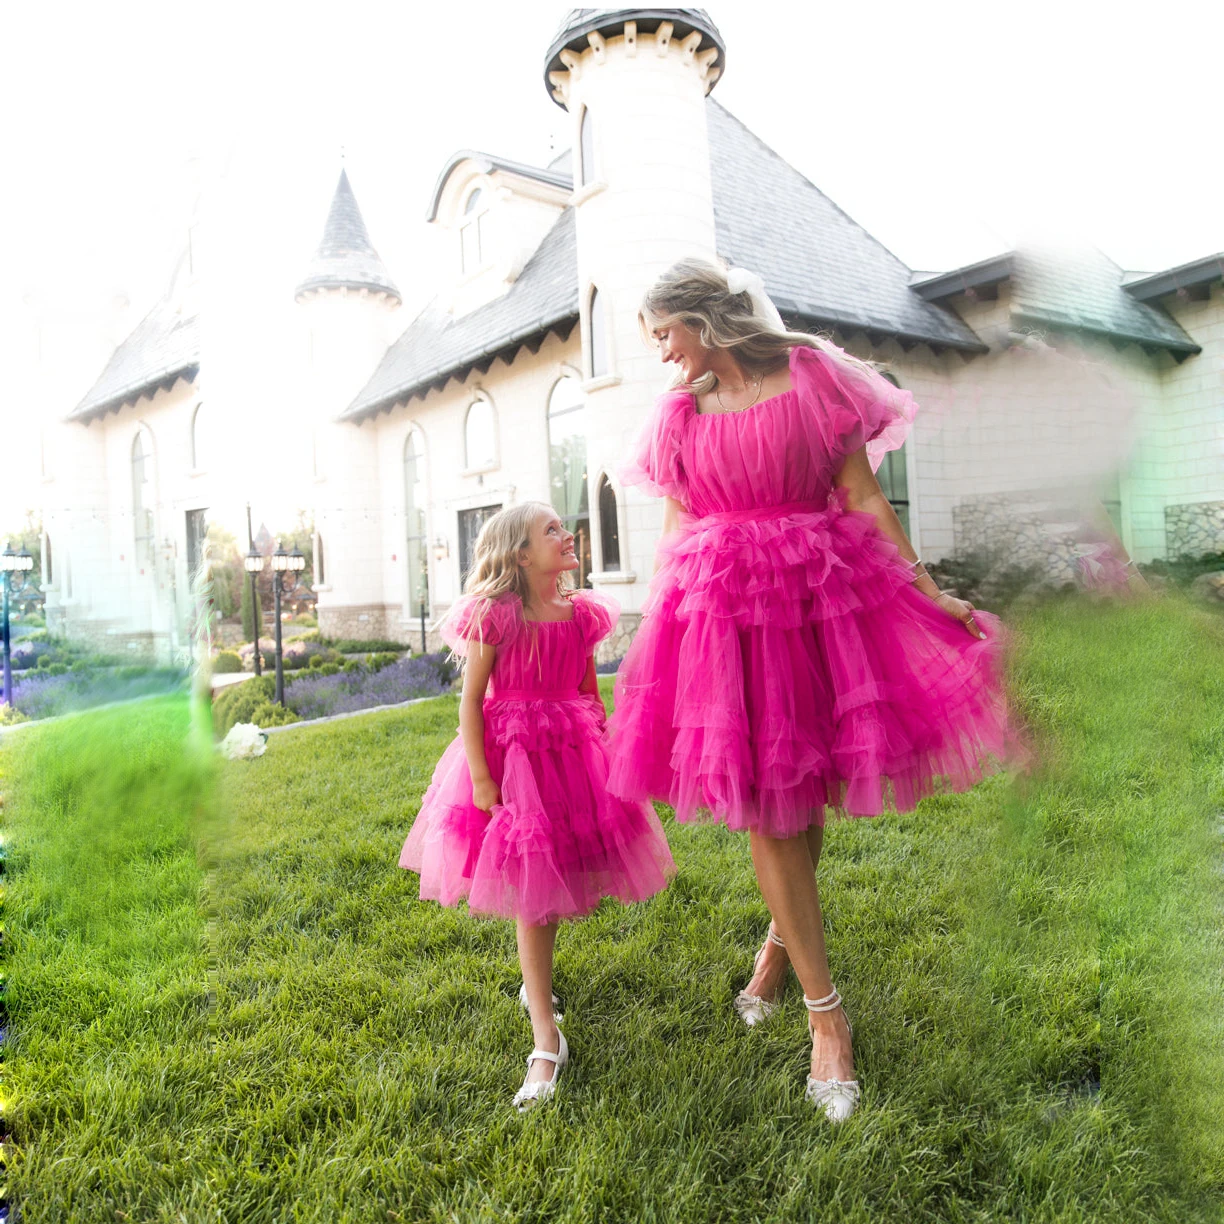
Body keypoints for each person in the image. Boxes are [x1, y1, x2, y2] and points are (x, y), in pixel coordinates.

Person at [605, 258, 1019, 1122]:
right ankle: (827, 1018)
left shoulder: (813, 377)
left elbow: (861, 496)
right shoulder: (678, 417)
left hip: (817, 600)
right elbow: (680, 527)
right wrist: (660, 624)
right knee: (769, 806)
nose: (660, 355)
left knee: (802, 796)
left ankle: (777, 947)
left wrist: (929, 587)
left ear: (703, 320)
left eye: (663, 336)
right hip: (722, 619)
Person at [399, 502, 676, 1111]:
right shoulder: (497, 617)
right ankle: (546, 1038)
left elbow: (585, 689)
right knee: (533, 887)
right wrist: (480, 777)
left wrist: (602, 748)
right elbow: (471, 702)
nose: (566, 534)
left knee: (556, 879)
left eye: (562, 527)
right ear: (521, 555)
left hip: (572, 749)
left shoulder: (581, 615)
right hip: (514, 755)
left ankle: (538, 989)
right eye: (550, 530)